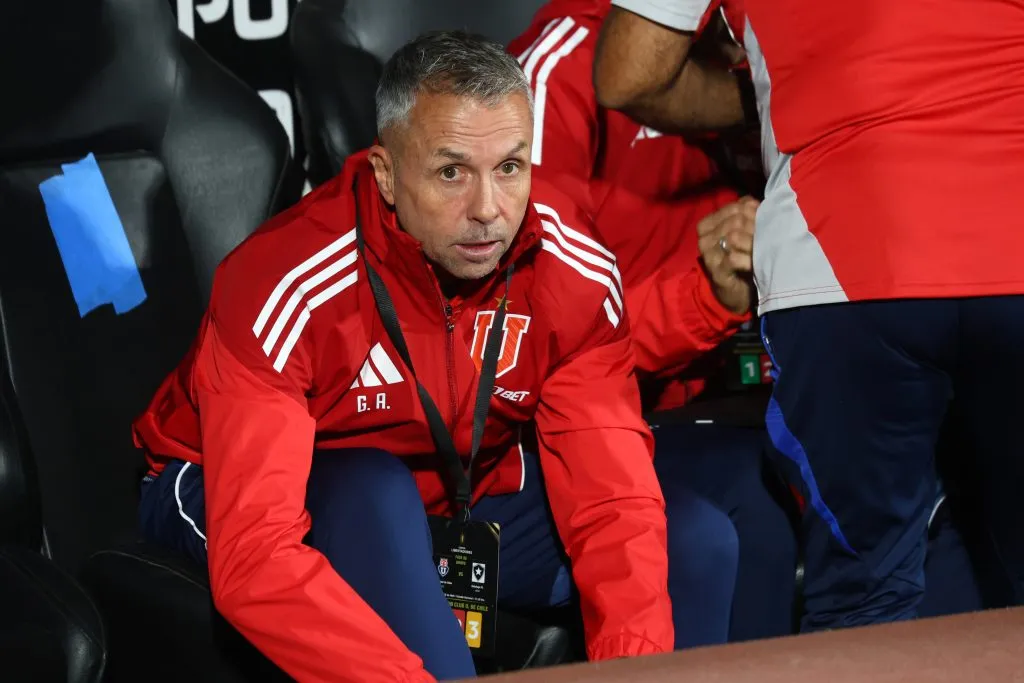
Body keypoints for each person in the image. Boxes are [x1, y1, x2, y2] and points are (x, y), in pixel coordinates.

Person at [132, 31, 741, 682]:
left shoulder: (570, 267)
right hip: (227, 485)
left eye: (510, 167)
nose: (488, 210)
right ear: (387, 175)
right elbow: (256, 554)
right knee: (374, 488)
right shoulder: (286, 283)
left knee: (691, 543)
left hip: (449, 488)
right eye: (452, 172)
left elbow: (611, 502)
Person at [593, 0, 1024, 629]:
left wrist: (799, 81)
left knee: (866, 594)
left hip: (843, 256)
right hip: (1006, 230)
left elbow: (630, 72)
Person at [509, 0, 796, 642]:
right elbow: (536, 342)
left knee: (786, 506)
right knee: (709, 538)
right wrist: (706, 300)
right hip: (583, 428)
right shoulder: (555, 78)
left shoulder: (760, 58)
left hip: (726, 399)